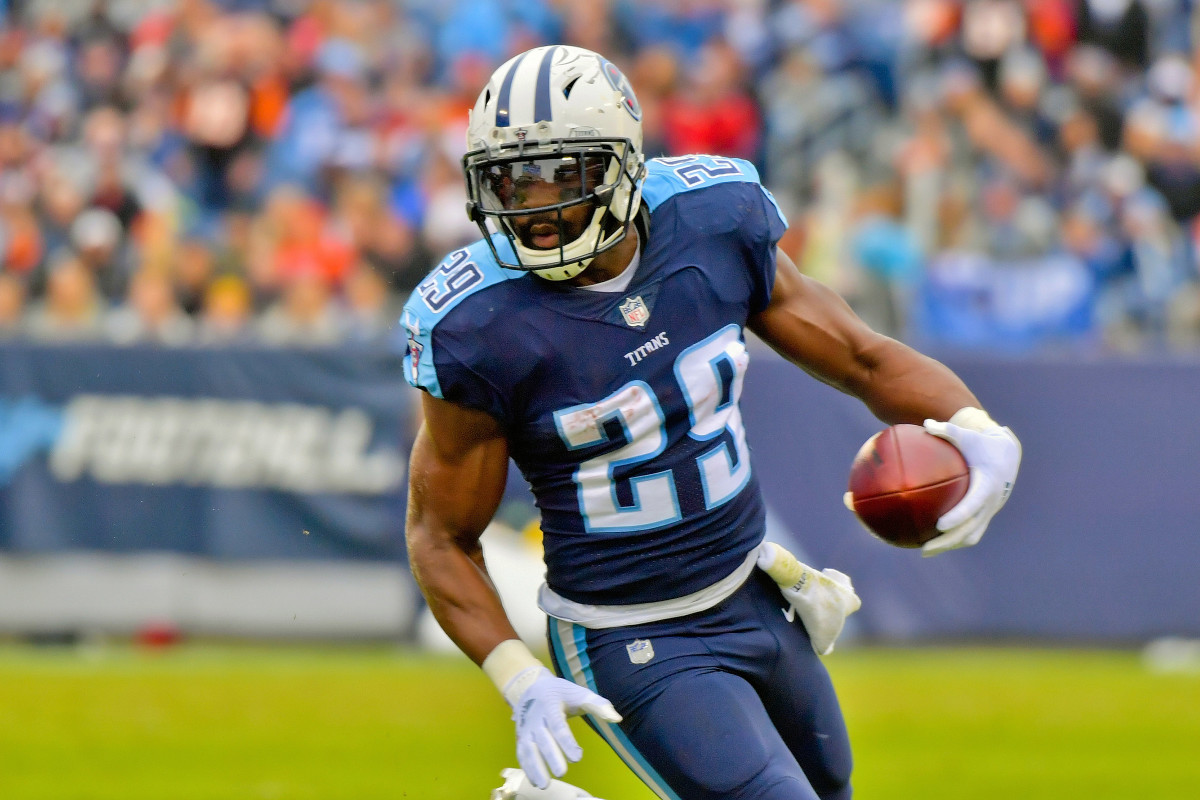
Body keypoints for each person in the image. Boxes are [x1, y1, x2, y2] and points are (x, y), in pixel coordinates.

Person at [401, 45, 1021, 800]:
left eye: (564, 176)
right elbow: (441, 535)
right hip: (628, 631)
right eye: (510, 180)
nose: (534, 207)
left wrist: (975, 424)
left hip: (750, 590)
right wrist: (518, 675)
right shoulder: (478, 324)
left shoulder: (711, 221)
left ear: (624, 163)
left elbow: (861, 358)